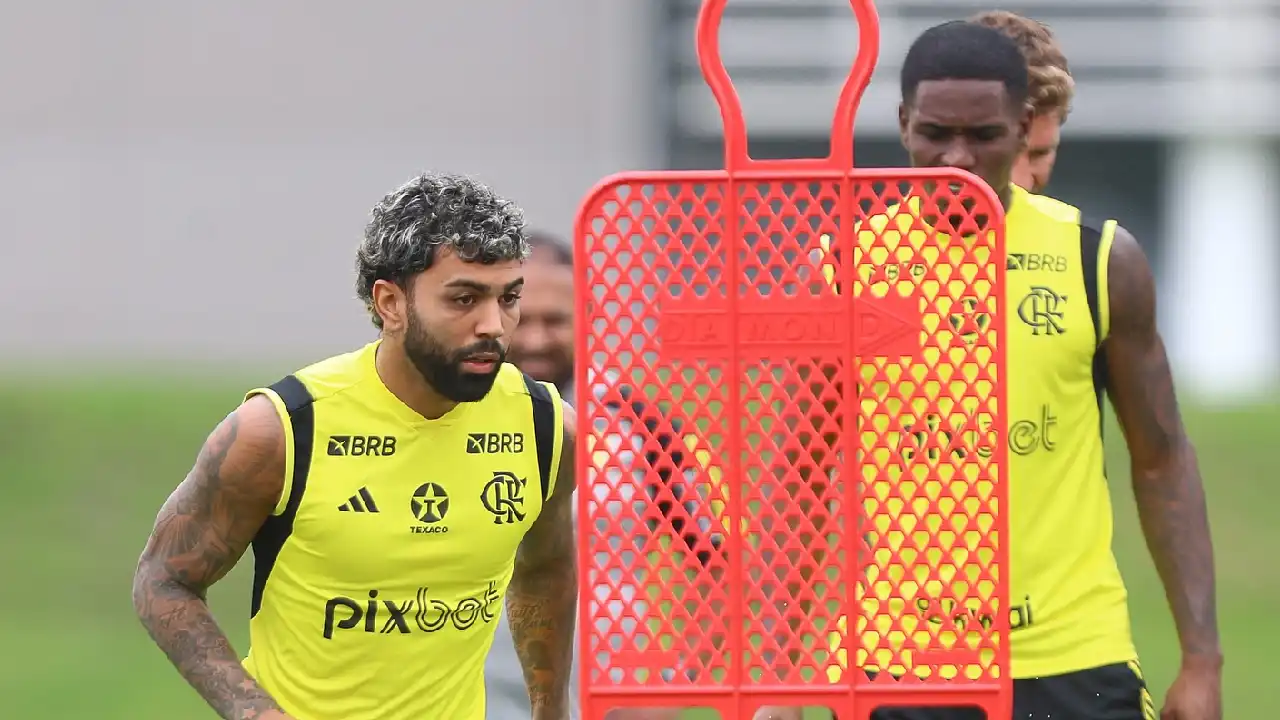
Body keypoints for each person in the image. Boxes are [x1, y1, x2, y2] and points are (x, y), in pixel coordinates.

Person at [761, 21, 1222, 720]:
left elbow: (1161, 462)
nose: (957, 157)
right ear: (904, 125)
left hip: (1076, 655)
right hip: (901, 664)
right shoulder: (843, 268)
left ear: (1024, 127)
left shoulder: (1098, 260)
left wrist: (1201, 660)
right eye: (936, 133)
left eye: (984, 136)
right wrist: (778, 678)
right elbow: (800, 477)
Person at [130, 172, 578, 720]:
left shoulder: (545, 425)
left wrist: (550, 711)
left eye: (508, 298)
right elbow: (164, 580)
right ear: (390, 302)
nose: (495, 325)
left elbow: (546, 567)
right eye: (464, 299)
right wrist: (257, 714)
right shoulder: (282, 430)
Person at [486, 230, 696, 720]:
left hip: (610, 691)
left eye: (555, 320)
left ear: (590, 319)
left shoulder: (643, 424)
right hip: (483, 692)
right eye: (522, 319)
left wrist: (676, 681)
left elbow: (720, 557)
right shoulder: (444, 416)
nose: (537, 339)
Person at [969, 9, 1074, 193]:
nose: (1021, 183)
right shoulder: (901, 222)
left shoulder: (1073, 222)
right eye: (1003, 156)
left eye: (1039, 154)